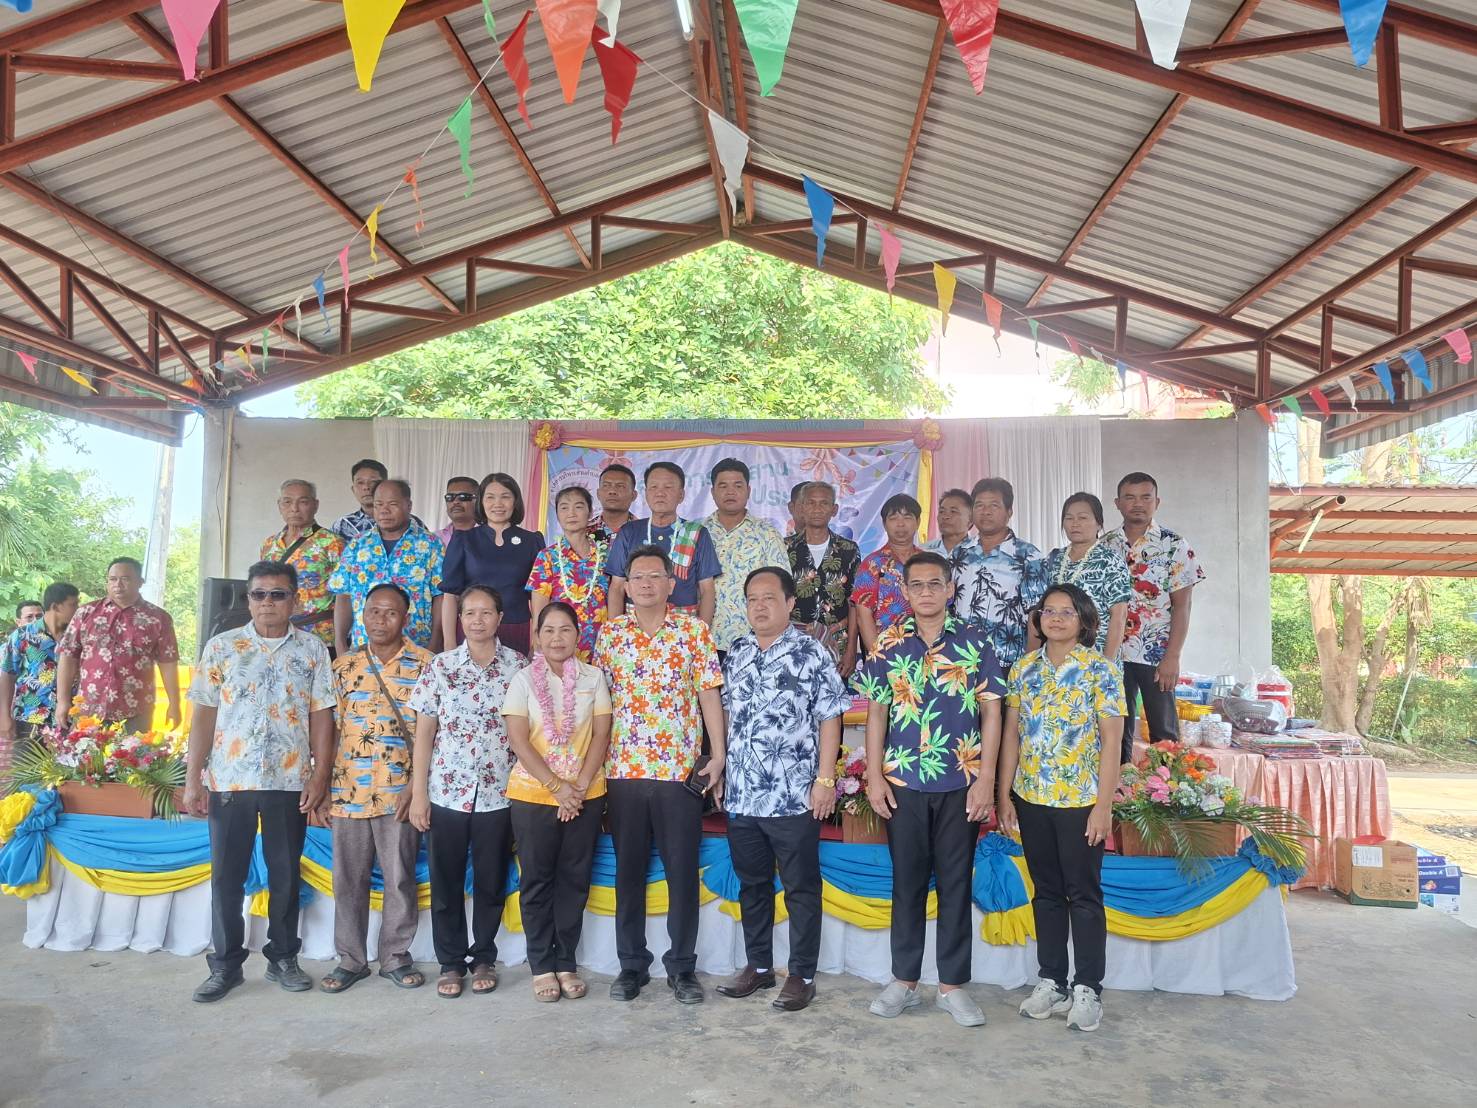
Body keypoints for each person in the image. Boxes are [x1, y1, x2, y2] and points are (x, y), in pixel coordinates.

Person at [853, 552, 1005, 1028]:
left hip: (961, 780)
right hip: (903, 781)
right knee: (908, 881)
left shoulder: (976, 640)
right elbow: (876, 713)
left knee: (956, 882)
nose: (925, 592)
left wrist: (985, 780)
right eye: (916, 585)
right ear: (904, 591)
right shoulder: (888, 643)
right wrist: (874, 776)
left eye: (934, 584)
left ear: (950, 589)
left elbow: (993, 714)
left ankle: (953, 987)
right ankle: (904, 980)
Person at [182, 561, 335, 1003]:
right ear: (248, 599)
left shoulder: (312, 650)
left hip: (289, 780)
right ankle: (226, 965)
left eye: (278, 594)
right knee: (226, 878)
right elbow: (204, 715)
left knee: (285, 875)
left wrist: (320, 774)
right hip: (231, 779)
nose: (268, 602)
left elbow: (322, 716)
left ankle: (283, 957)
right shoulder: (222, 647)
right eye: (259, 594)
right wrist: (194, 779)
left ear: (295, 600)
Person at [594, 544, 725, 1004]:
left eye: (655, 576)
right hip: (623, 771)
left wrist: (718, 755)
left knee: (681, 874)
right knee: (628, 873)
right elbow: (599, 704)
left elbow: (709, 695)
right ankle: (631, 966)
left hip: (678, 773)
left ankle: (682, 968)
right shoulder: (610, 634)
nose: (646, 584)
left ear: (672, 584)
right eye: (638, 577)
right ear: (626, 587)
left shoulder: (693, 631)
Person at [717, 567, 849, 1013]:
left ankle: (801, 974)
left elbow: (829, 717)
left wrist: (825, 780)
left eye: (769, 598)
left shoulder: (812, 653)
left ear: (791, 603)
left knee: (800, 888)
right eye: (752, 598)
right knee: (752, 885)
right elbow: (727, 717)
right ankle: (758, 966)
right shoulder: (737, 653)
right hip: (743, 794)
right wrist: (723, 770)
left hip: (794, 795)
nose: (760, 606)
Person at [996, 583, 1126, 1034]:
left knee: (1083, 895)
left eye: (1066, 612)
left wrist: (1103, 806)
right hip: (1032, 797)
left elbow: (1112, 743)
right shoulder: (1023, 669)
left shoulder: (1101, 670)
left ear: (1084, 620)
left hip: (1081, 801)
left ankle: (1088, 987)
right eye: (1048, 610)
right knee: (1046, 892)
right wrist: (1004, 795)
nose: (1055, 618)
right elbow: (1011, 735)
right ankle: (1052, 980)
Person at [407, 584, 523, 1000]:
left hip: (499, 793)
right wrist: (419, 793)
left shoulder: (518, 666)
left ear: (500, 618)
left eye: (486, 612)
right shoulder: (440, 666)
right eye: (470, 613)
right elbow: (424, 735)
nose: (477, 620)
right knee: (447, 881)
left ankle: (484, 956)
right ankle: (451, 962)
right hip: (447, 792)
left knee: (491, 880)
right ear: (460, 620)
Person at [321, 583, 433, 995]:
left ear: (405, 618)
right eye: (372, 611)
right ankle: (350, 960)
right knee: (347, 880)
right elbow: (330, 731)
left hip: (399, 792)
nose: (379, 620)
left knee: (399, 877)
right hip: (347, 789)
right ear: (362, 615)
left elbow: (434, 733)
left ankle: (395, 957)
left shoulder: (426, 665)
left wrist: (417, 787)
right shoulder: (343, 666)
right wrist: (323, 785)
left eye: (390, 612)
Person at [503, 602, 613, 1003]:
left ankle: (565, 962)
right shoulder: (522, 680)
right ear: (536, 636)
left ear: (578, 635)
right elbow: (518, 740)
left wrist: (577, 788)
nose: (556, 638)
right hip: (533, 796)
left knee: (574, 880)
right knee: (536, 881)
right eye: (548, 630)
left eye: (565, 629)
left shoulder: (594, 678)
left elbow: (601, 734)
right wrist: (557, 787)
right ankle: (541, 966)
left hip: (585, 795)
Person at [1102, 472, 1205, 763]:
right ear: (1117, 503)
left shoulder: (1175, 545)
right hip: (1112, 654)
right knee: (1114, 732)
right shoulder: (1104, 546)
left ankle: (1166, 788)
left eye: (1145, 497)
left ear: (1157, 502)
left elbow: (1182, 606)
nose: (1138, 504)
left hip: (1156, 654)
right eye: (1130, 497)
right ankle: (1118, 788)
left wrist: (1173, 656)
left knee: (1164, 735)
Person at [54, 557, 180, 733]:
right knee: (84, 752)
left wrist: (174, 703)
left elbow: (168, 663)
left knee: (134, 752)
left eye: (125, 579)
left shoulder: (158, 618)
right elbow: (68, 656)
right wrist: (63, 701)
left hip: (136, 712)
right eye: (113, 579)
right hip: (89, 709)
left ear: (140, 582)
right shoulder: (86, 613)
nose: (118, 585)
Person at [329, 479, 444, 654]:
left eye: (392, 504)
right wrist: (340, 644)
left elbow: (440, 597)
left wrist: (435, 644)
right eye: (378, 504)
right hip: (363, 651)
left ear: (409, 505)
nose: (384, 510)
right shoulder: (357, 544)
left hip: (417, 649)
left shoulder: (431, 544)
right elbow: (344, 596)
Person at [440, 473, 544, 656]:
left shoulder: (532, 541)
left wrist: (537, 640)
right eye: (490, 497)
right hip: (473, 628)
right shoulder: (464, 540)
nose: (498, 504)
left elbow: (538, 597)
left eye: (505, 497)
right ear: (481, 502)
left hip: (515, 628)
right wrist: (449, 644)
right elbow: (450, 596)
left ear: (515, 501)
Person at [605, 462, 721, 625]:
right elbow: (617, 587)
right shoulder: (628, 532)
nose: (660, 493)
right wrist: (614, 632)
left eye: (668, 487)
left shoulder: (697, 533)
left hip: (684, 627)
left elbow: (707, 590)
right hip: (635, 627)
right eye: (654, 487)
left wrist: (703, 634)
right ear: (646, 494)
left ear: (681, 495)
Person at [952, 477, 1047, 670]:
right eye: (979, 505)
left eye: (994, 505)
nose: (985, 511)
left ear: (1009, 511)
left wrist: (1027, 666)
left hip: (1007, 663)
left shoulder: (1028, 556)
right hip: (959, 660)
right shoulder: (959, 553)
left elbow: (1036, 615)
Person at [703, 458, 789, 657]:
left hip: (756, 640)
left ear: (748, 491)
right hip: (706, 642)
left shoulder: (766, 533)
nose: (730, 492)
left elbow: (783, 587)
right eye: (723, 486)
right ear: (713, 492)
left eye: (737, 485)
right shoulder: (698, 532)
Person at [1040, 493, 1130, 660]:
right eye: (1069, 518)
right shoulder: (1055, 559)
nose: (1075, 523)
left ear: (1099, 523)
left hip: (1096, 658)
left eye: (1082, 518)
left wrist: (1107, 664)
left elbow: (1119, 616)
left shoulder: (1110, 560)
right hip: (1057, 656)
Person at [785, 481, 862, 676]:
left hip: (837, 646)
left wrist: (851, 650)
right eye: (811, 503)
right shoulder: (784, 548)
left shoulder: (849, 550)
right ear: (802, 508)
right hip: (794, 645)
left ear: (834, 510)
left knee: (834, 695)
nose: (817, 509)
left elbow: (854, 603)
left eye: (824, 503)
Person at [259, 479, 344, 649]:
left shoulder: (332, 542)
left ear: (315, 505)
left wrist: (341, 641)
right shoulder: (269, 544)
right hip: (277, 635)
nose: (294, 508)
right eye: (287, 502)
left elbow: (345, 594)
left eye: (303, 502)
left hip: (320, 636)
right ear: (279, 506)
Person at [528, 486, 610, 662]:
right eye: (564, 507)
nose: (571, 513)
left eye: (578, 507)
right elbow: (539, 608)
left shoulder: (606, 555)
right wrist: (538, 643)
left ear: (590, 513)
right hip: (559, 645)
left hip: (601, 644)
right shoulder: (547, 556)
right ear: (557, 515)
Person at [1, 583, 80, 754]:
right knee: (27, 770)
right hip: (29, 719)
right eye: (73, 604)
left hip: (71, 721)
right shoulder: (22, 635)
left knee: (72, 771)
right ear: (56, 607)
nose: (78, 609)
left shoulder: (79, 636)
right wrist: (4, 715)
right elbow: (7, 674)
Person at [850, 494, 923, 655]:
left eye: (907, 517)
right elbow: (863, 615)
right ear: (884, 524)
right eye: (893, 518)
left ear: (918, 522)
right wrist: (878, 657)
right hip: (886, 651)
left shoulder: (928, 563)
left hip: (926, 650)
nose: (900, 524)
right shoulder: (872, 564)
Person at [332, 459, 427, 543]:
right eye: (360, 482)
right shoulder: (342, 525)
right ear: (353, 489)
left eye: (373, 482)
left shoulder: (412, 522)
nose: (366, 487)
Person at [923, 488, 974, 571]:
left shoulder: (979, 553)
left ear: (970, 520)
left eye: (953, 511)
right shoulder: (923, 551)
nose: (945, 516)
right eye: (941, 511)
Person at [588, 463, 637, 543]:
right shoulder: (583, 532)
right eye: (606, 485)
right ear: (598, 494)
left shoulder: (645, 531)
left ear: (633, 495)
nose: (612, 491)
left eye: (620, 486)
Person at [436, 476, 480, 546]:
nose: (455, 502)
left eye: (463, 497)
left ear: (478, 501)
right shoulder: (434, 539)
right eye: (450, 497)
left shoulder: (491, 537)